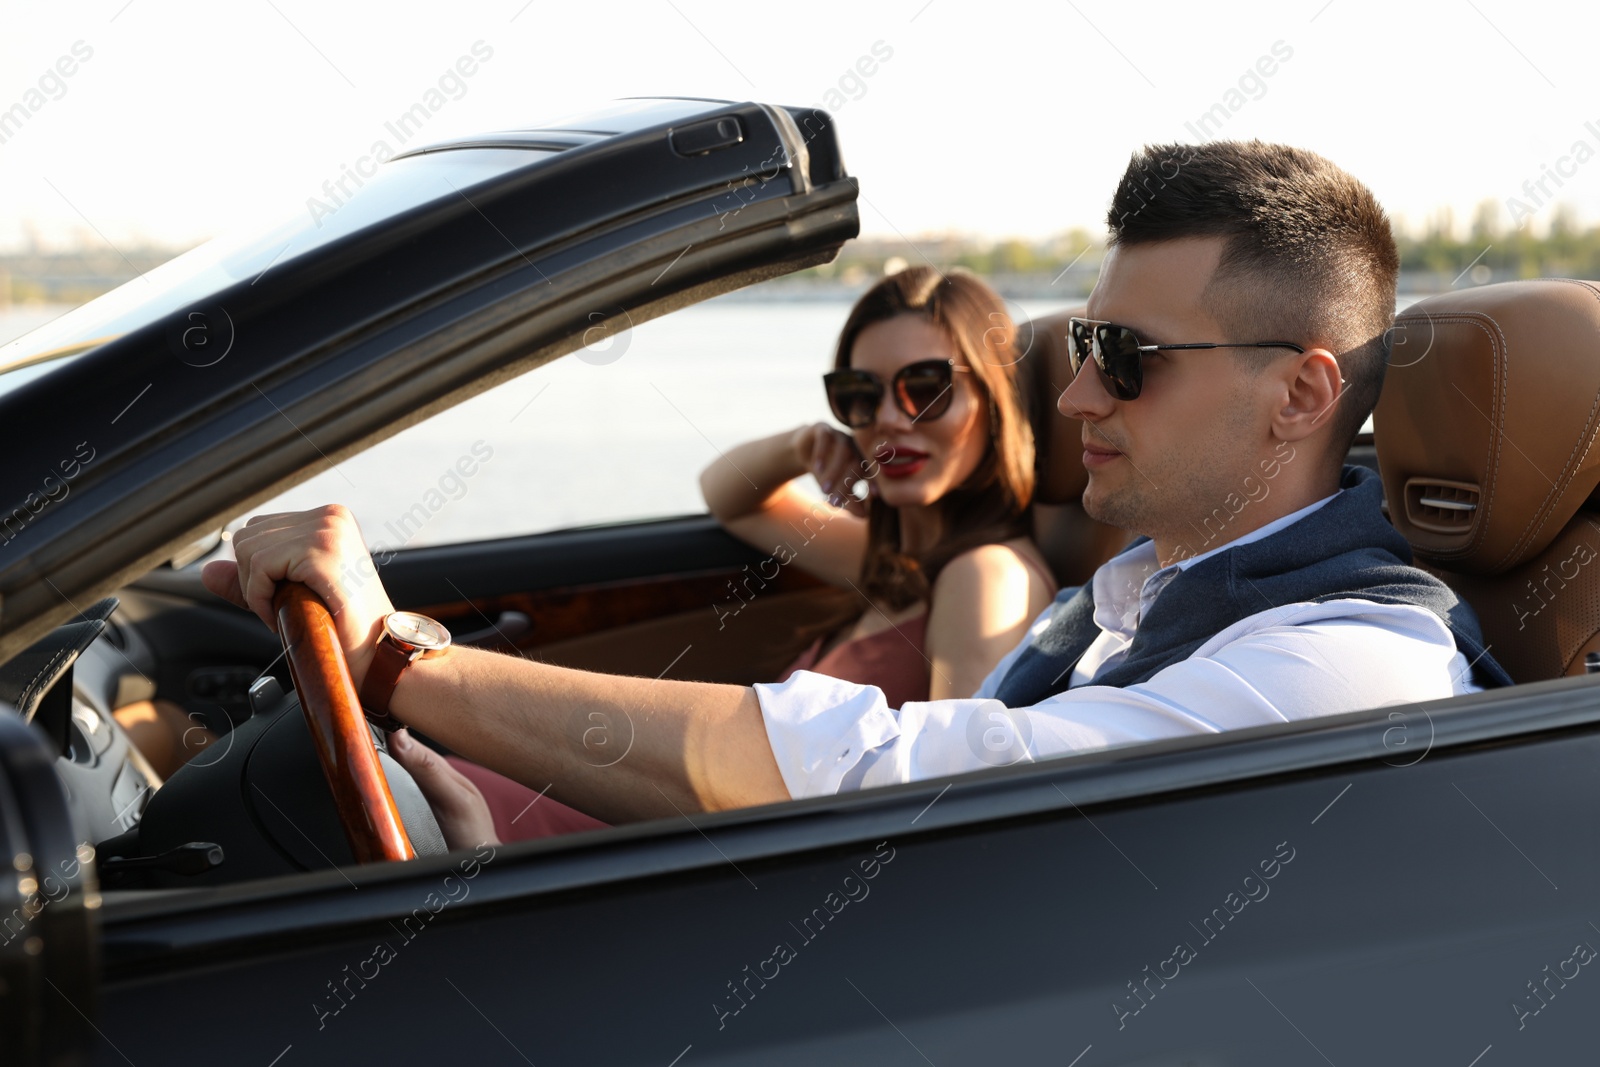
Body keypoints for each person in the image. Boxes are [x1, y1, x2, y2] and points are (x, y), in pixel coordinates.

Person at [204, 140, 1513, 850]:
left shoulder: (1347, 662)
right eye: (1079, 345)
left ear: (1300, 391)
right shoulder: (1136, 598)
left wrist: (402, 670)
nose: (1072, 397)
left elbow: (918, 782)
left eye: (1124, 357)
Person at [441, 266, 1057, 842]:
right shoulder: (891, 561)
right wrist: (802, 445)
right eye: (858, 396)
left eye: (926, 388)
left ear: (994, 398)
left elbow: (949, 806)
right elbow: (730, 498)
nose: (890, 419)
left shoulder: (986, 576)